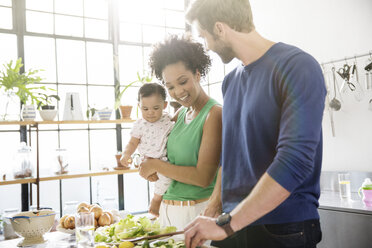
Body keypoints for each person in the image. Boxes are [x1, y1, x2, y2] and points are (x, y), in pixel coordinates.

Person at [183, 0, 327, 248]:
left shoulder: (298, 66)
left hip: (283, 227)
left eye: (204, 37)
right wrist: (214, 208)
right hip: (233, 224)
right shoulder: (230, 81)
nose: (206, 46)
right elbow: (229, 157)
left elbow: (294, 162)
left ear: (219, 28)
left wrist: (228, 224)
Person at [138, 35, 222, 231]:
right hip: (168, 213)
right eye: (170, 87)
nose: (178, 91)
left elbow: (203, 177)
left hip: (196, 212)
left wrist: (155, 165)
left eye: (183, 81)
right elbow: (158, 148)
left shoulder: (215, 114)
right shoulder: (179, 114)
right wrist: (147, 167)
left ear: (198, 73)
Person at [120, 83, 174, 217]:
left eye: (156, 108)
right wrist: (126, 154)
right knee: (157, 179)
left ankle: (156, 199)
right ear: (139, 106)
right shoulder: (139, 124)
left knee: (166, 178)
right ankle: (156, 200)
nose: (150, 112)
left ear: (165, 105)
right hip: (147, 158)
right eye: (145, 109)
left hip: (164, 159)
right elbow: (132, 142)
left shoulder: (168, 119)